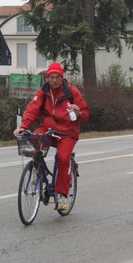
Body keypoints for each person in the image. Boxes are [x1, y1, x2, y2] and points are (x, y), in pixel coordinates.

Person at [13, 62, 89, 211]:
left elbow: (85, 113)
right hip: (48, 129)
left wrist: (79, 112)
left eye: (57, 77)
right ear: (47, 77)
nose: (54, 80)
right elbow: (32, 109)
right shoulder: (43, 92)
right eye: (51, 77)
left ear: (62, 77)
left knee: (62, 158)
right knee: (33, 141)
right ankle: (37, 169)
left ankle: (62, 196)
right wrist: (23, 127)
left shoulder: (72, 92)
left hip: (67, 132)